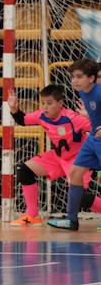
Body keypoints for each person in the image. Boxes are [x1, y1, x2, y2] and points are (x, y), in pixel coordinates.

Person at [8, 84, 101, 226]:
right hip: (58, 157)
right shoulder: (41, 115)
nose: (45, 107)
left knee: (80, 197)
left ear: (60, 103)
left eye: (49, 103)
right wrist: (14, 109)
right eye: (43, 103)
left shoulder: (73, 118)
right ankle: (32, 215)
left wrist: (90, 118)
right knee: (25, 170)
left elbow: (96, 129)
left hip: (78, 159)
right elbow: (23, 120)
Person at [49, 59, 101, 231]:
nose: (75, 81)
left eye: (79, 77)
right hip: (93, 139)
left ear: (92, 78)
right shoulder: (84, 92)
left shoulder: (99, 92)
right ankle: (72, 220)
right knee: (75, 173)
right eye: (72, 77)